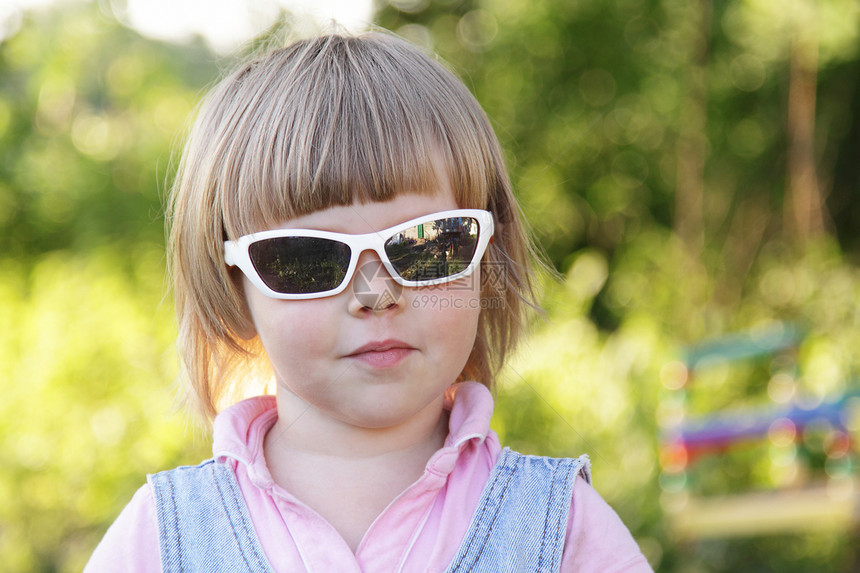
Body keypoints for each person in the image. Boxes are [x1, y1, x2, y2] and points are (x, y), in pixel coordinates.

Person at [86, 31, 652, 572]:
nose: (377, 294)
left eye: (430, 245)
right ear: (234, 287)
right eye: (309, 258)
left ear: (485, 256)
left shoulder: (560, 530)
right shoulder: (163, 539)